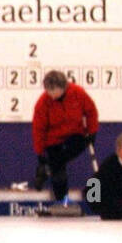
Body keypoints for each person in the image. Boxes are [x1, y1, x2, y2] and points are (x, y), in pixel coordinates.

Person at [33, 70, 98, 202]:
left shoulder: (77, 93)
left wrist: (92, 132)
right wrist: (40, 152)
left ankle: (47, 169)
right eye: (49, 91)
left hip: (76, 134)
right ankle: (62, 201)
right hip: (53, 140)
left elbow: (91, 112)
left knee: (59, 160)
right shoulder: (43, 102)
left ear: (64, 87)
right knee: (58, 171)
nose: (52, 95)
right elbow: (38, 129)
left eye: (54, 91)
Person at [87, 132, 122, 220]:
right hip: (103, 196)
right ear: (118, 151)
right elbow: (107, 195)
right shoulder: (109, 166)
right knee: (111, 210)